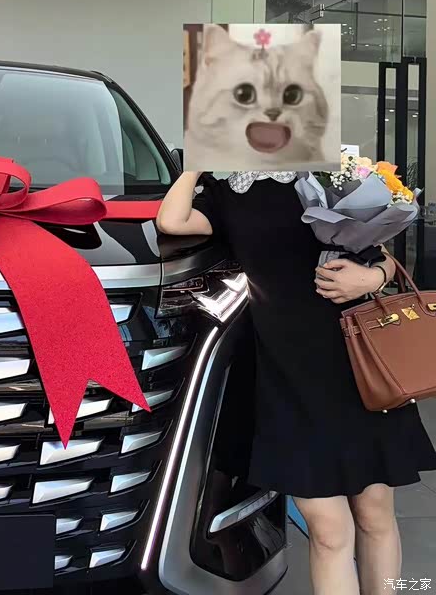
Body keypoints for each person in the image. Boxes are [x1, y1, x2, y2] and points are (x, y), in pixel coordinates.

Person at [157, 169, 436, 595]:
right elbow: (172, 220)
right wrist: (197, 159)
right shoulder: (227, 191)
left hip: (360, 366)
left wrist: (373, 277)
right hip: (287, 377)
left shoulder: (328, 175)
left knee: (376, 515)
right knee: (329, 530)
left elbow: (382, 256)